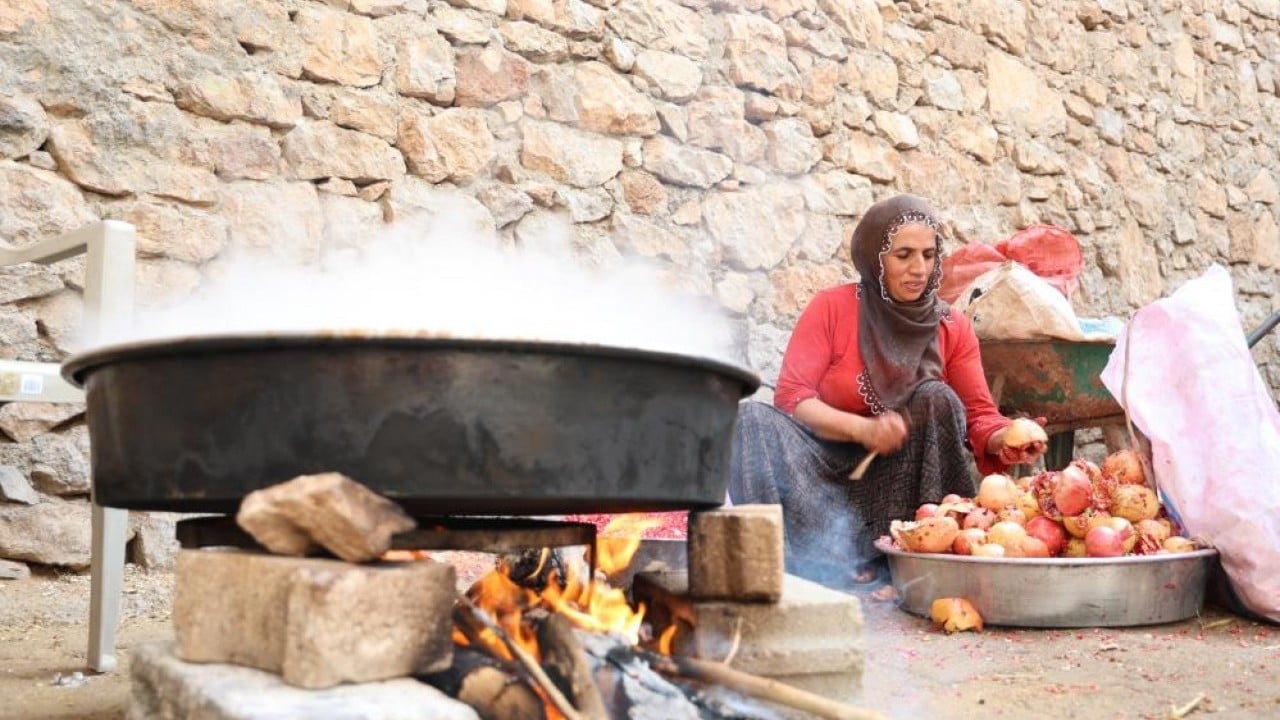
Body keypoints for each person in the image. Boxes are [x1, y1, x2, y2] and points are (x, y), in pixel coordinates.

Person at [727, 194, 1047, 588]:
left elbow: (979, 414)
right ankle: (789, 569)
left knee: (936, 398)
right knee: (750, 419)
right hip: (820, 469)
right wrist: (861, 430)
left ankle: (916, 564)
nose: (919, 268)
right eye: (904, 255)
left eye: (929, 255)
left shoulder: (952, 328)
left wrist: (1005, 439)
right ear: (874, 258)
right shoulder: (832, 308)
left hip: (900, 475)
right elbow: (793, 397)